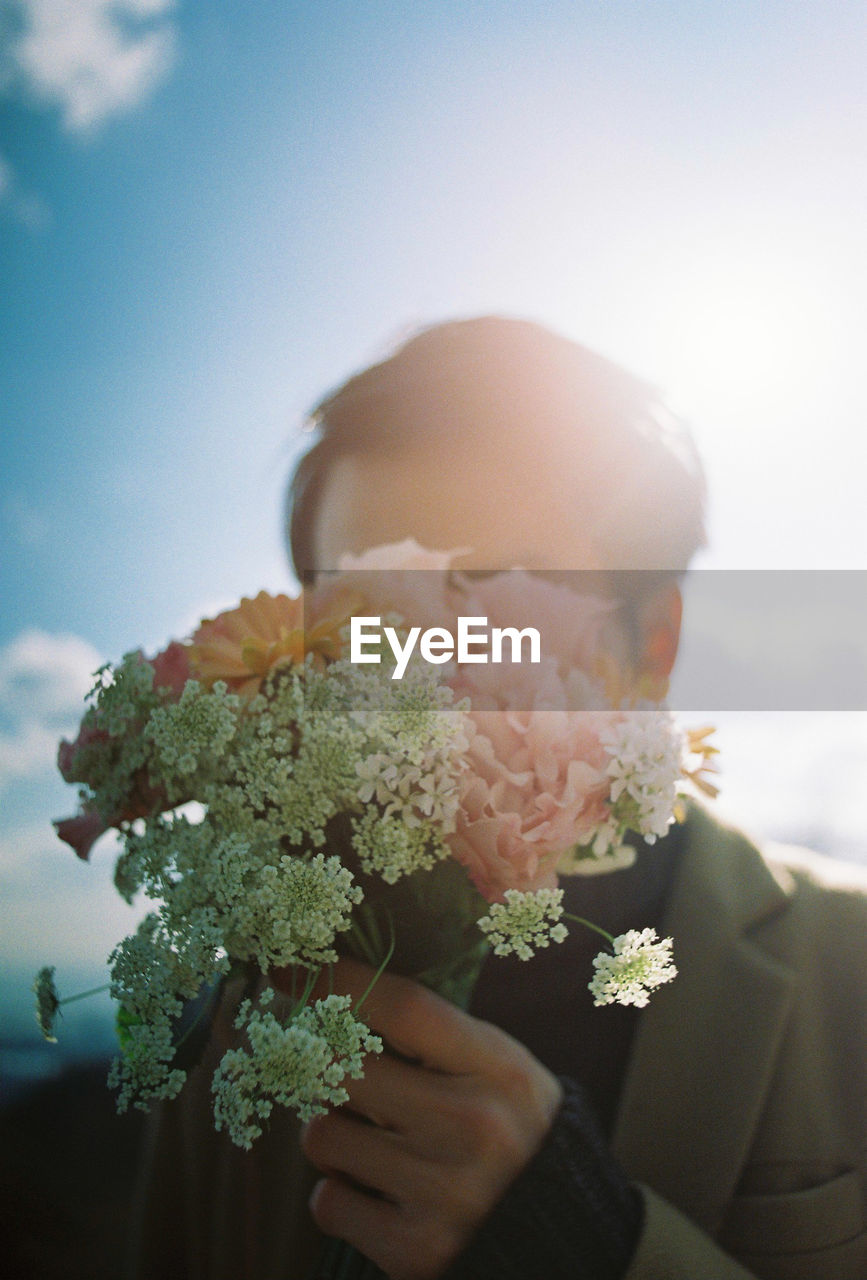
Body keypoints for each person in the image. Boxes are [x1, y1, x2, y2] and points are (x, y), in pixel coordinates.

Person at [128, 317, 867, 1280]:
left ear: (651, 647)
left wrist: (591, 1247)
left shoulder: (846, 970)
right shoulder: (233, 1012)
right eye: (361, 612)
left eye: (489, 596)